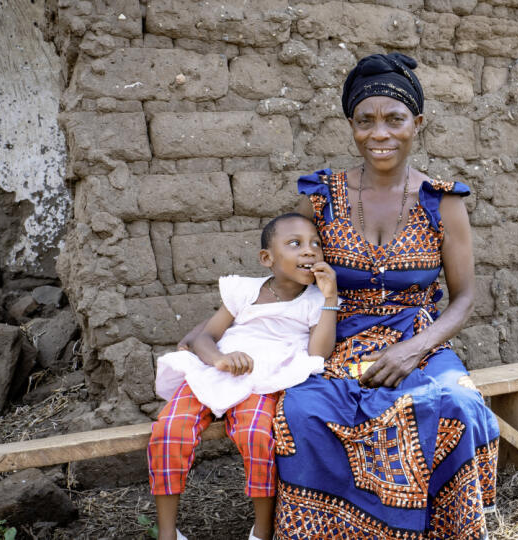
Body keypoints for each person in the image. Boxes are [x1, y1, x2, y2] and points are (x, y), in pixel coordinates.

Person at [182, 52, 500, 539]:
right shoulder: (322, 196)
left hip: (416, 338)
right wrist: (225, 328)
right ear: (351, 125)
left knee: (453, 403)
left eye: (394, 120)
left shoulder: (443, 201)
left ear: (417, 123)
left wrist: (414, 350)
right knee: (301, 413)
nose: (380, 134)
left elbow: (464, 298)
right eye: (365, 121)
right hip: (331, 337)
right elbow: (288, 274)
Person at [149, 213, 339, 540]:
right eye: (295, 244)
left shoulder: (316, 301)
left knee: (258, 438)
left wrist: (331, 298)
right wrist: (220, 359)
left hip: (263, 380)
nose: (310, 252)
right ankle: (168, 533)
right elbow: (203, 338)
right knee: (169, 430)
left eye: (316, 245)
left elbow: (318, 354)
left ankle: (261, 532)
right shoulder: (244, 291)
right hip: (214, 372)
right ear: (267, 258)